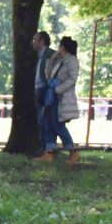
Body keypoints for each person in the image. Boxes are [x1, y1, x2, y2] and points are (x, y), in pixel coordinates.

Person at [37, 37, 81, 165]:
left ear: (63, 47)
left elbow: (72, 79)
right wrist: (52, 59)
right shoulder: (59, 59)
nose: (58, 48)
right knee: (48, 123)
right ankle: (49, 152)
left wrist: (57, 89)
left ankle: (73, 151)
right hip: (52, 96)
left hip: (61, 97)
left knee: (58, 125)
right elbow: (48, 74)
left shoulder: (72, 61)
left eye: (59, 46)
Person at [32, 31, 56, 155]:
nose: (33, 42)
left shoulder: (51, 54)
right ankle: (44, 147)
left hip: (46, 90)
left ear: (42, 41)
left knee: (46, 120)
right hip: (38, 90)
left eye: (35, 40)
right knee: (40, 120)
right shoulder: (37, 56)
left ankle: (48, 148)